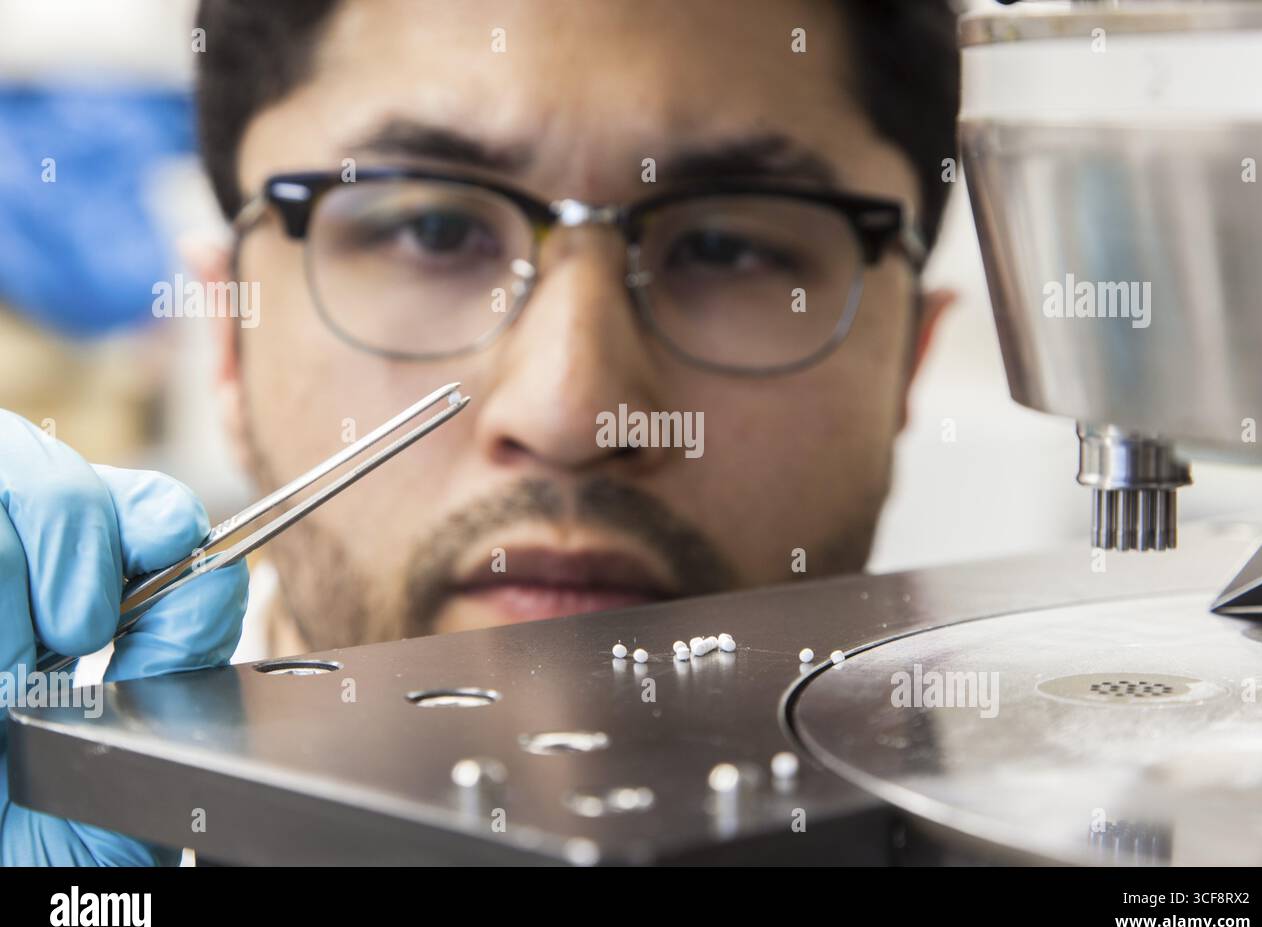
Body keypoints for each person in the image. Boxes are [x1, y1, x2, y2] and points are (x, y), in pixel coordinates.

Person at [0, 0, 958, 864]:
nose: (572, 415)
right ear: (227, 334)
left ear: (911, 356)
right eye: (432, 230)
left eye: (727, 247)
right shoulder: (58, 788)